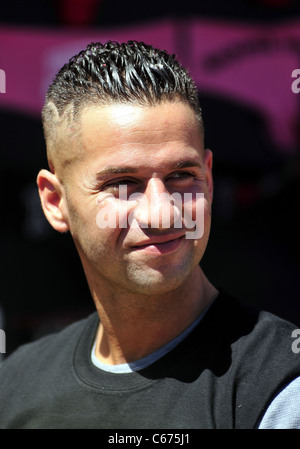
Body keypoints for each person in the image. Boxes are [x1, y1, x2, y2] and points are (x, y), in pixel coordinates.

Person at [0, 40, 299, 429]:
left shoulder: (281, 388)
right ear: (56, 201)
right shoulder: (15, 387)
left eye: (181, 176)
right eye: (123, 183)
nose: (161, 213)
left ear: (208, 181)